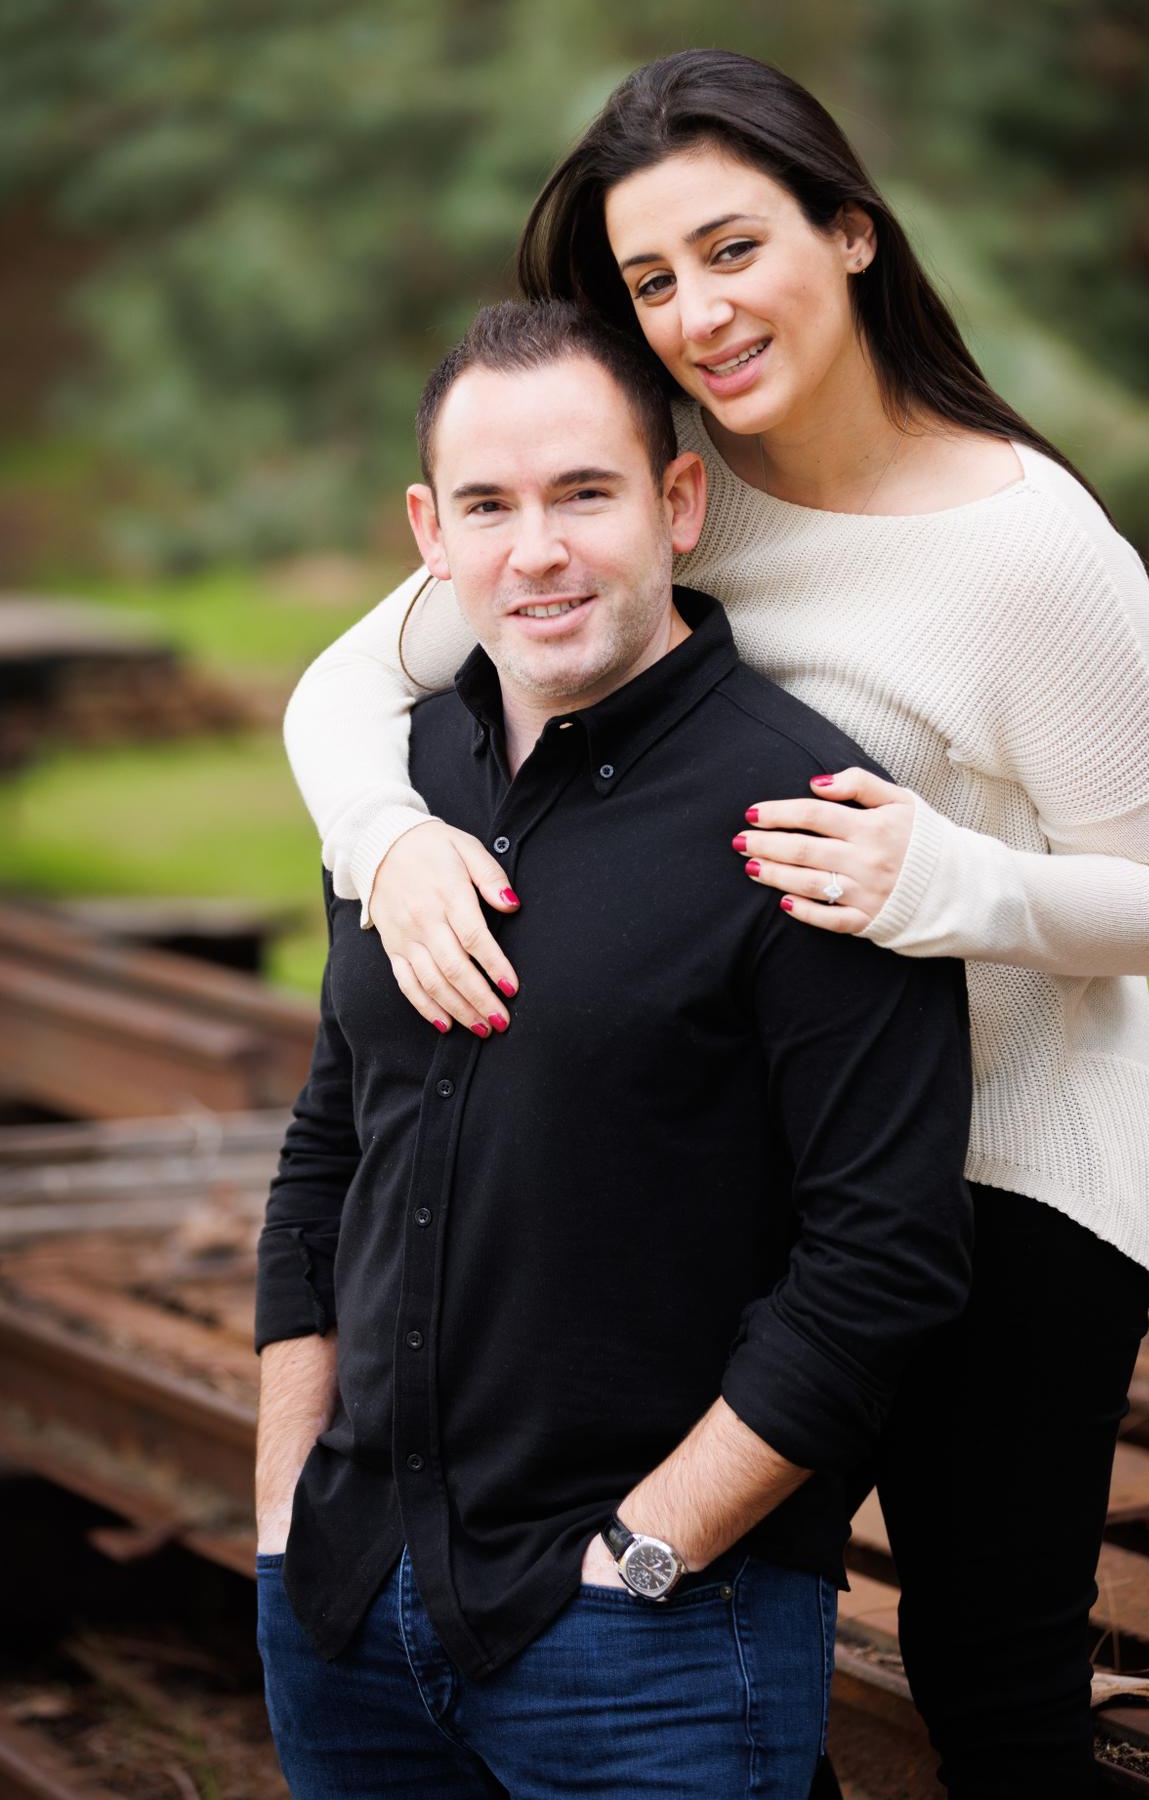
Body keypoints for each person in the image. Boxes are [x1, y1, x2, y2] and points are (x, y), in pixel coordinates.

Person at [281, 51, 1149, 1798]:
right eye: (650, 280)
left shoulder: (1033, 552)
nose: (695, 315)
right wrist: (386, 841)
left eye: (731, 249)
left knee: (985, 1683)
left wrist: (950, 884)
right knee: (715, 1616)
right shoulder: (659, 489)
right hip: (765, 1154)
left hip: (1011, 1181)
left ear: (849, 232)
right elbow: (344, 688)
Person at [254, 298, 974, 1800]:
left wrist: (646, 1553)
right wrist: (283, 1511)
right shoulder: (401, 786)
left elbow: (883, 1255)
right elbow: (331, 1145)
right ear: (429, 535)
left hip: (651, 1639)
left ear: (679, 503)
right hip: (348, 1606)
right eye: (488, 506)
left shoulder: (809, 817)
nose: (537, 552)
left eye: (584, 493)